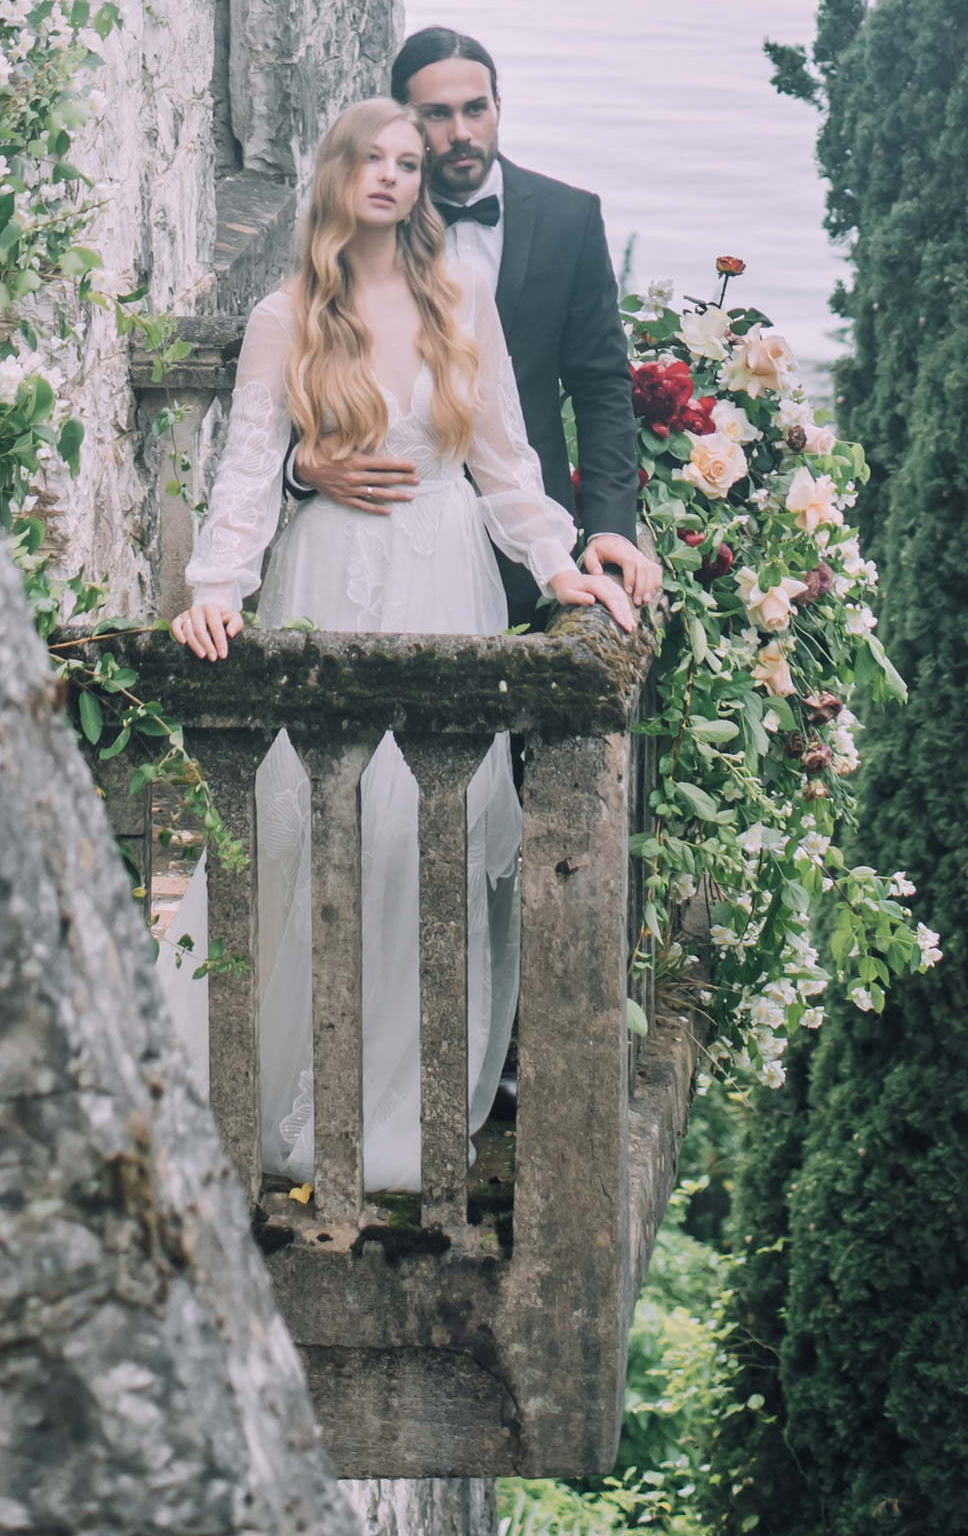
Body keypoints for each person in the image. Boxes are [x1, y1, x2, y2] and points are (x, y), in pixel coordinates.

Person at [162, 99, 635, 1193]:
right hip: (326, 573)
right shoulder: (288, 314)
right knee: (309, 827)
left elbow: (510, 455)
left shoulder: (458, 294)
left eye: (408, 163)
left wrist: (562, 566)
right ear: (333, 173)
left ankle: (392, 1115)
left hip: (444, 571)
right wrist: (214, 589)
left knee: (419, 838)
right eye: (370, 158)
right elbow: (245, 470)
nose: (390, 176)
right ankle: (260, 1090)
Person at [288, 29, 664, 619]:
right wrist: (301, 466)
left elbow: (601, 386)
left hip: (530, 553)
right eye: (436, 115)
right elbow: (302, 355)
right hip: (371, 542)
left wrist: (608, 528)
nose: (460, 133)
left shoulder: (571, 219)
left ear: (497, 107)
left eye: (475, 109)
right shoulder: (362, 226)